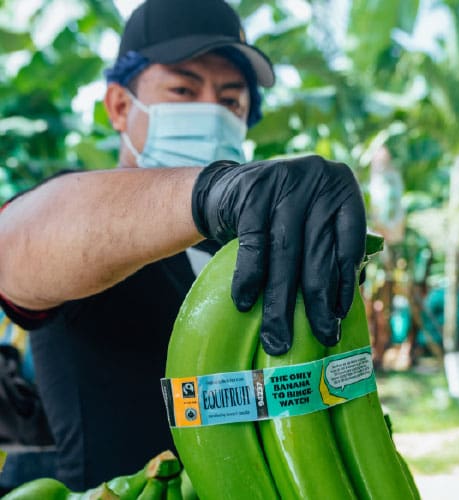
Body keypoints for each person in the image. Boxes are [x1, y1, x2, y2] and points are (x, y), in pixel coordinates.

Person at [0, 0, 366, 490]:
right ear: (120, 106)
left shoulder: (250, 246)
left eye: (232, 100)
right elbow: (15, 248)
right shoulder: (82, 218)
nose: (211, 111)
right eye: (183, 89)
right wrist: (210, 191)